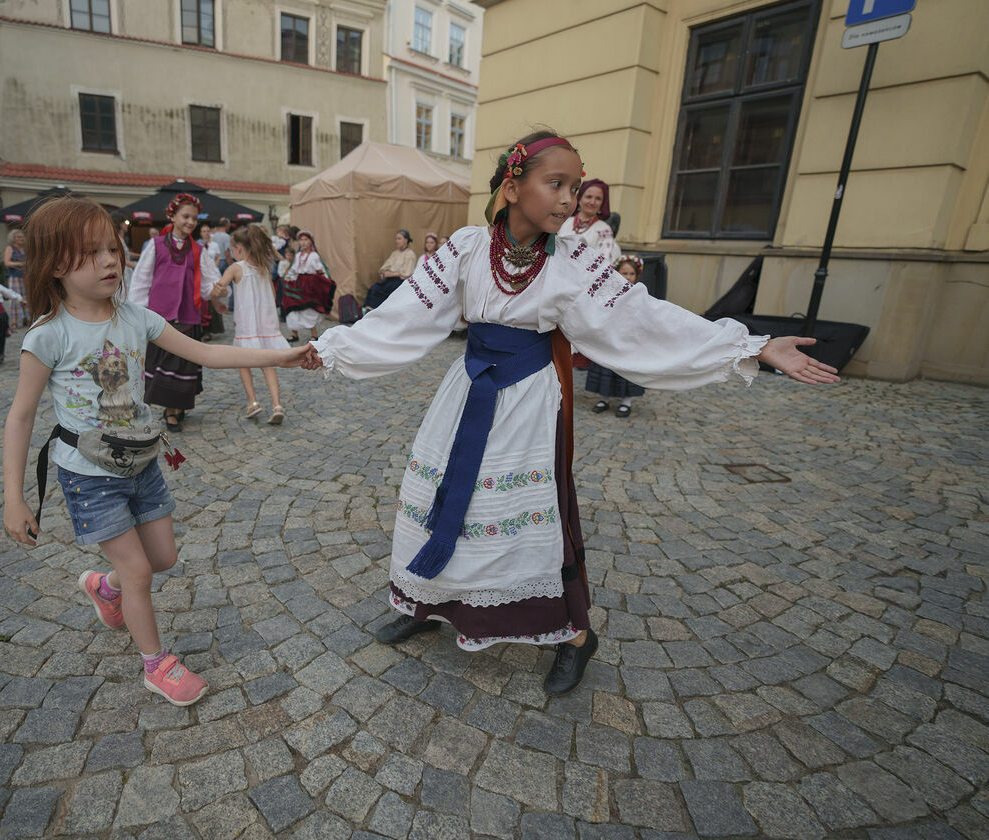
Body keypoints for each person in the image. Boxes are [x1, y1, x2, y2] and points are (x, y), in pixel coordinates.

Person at [304, 130, 839, 696]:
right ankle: (425, 602)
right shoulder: (465, 247)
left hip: (530, 399)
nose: (567, 198)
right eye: (555, 183)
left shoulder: (575, 262)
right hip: (467, 390)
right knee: (443, 497)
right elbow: (406, 313)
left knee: (530, 513)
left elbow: (641, 319)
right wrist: (333, 348)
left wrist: (750, 345)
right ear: (512, 187)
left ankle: (575, 636)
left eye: (575, 186)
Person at [1, 196, 311, 706]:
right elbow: (21, 416)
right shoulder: (47, 335)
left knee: (162, 557)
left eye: (112, 249)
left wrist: (285, 356)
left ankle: (105, 588)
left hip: (141, 464)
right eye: (91, 253)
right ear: (56, 264)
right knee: (139, 571)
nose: (109, 261)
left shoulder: (136, 318)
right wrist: (15, 497)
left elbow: (209, 352)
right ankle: (156, 664)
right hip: (89, 475)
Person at [127, 193, 222, 432]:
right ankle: (170, 410)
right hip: (160, 316)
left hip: (189, 316)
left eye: (194, 218)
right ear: (173, 216)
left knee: (183, 364)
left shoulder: (199, 250)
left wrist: (219, 290)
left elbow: (210, 282)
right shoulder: (156, 245)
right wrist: (137, 312)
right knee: (164, 363)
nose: (190, 222)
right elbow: (141, 279)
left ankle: (176, 408)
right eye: (185, 217)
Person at [210, 224, 291, 424]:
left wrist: (217, 299)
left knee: (243, 363)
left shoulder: (236, 268)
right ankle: (277, 404)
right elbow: (272, 296)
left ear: (238, 248)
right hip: (266, 326)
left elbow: (219, 289)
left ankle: (253, 403)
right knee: (267, 363)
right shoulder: (264, 268)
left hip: (247, 326)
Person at [586, 256, 648, 417]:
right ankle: (604, 398)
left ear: (636, 276)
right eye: (624, 273)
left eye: (631, 274)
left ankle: (626, 401)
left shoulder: (639, 294)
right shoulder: (608, 292)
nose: (627, 277)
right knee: (606, 366)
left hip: (628, 338)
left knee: (626, 368)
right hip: (608, 337)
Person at [282, 231, 334, 342]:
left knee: (310, 309)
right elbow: (293, 269)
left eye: (306, 240)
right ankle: (294, 334)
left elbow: (320, 270)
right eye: (301, 240)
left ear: (311, 242)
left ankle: (314, 335)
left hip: (310, 285)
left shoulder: (314, 255)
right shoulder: (298, 255)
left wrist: (323, 278)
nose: (303, 242)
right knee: (292, 307)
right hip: (298, 282)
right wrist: (289, 277)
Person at [562, 178, 620, 264]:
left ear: (602, 203)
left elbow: (602, 262)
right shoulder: (564, 222)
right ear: (580, 199)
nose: (592, 202)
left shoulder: (604, 230)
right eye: (588, 197)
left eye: (598, 199)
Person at [364, 229, 417, 312]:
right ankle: (369, 312)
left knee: (388, 292)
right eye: (396, 239)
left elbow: (407, 273)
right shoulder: (395, 253)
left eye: (399, 239)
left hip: (400, 281)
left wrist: (390, 274)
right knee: (374, 288)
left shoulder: (410, 254)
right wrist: (383, 273)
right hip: (389, 279)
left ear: (406, 240)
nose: (397, 241)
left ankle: (380, 313)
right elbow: (385, 266)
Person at [3, 229, 29, 327]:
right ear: (13, 239)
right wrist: (21, 264)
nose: (21, 238)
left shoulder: (26, 249)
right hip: (15, 277)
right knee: (15, 298)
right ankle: (14, 321)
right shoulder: (10, 248)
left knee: (26, 298)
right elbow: (7, 263)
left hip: (26, 277)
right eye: (18, 237)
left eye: (22, 236)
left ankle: (26, 319)